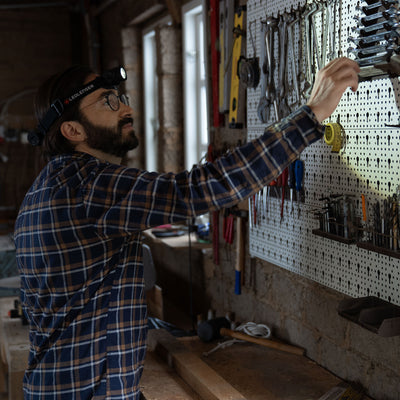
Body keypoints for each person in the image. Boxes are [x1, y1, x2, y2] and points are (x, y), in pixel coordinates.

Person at [14, 57, 360, 399]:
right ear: (72, 130)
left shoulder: (48, 188)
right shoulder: (86, 186)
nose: (124, 108)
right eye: (108, 101)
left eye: (121, 97)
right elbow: (198, 189)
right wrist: (311, 114)